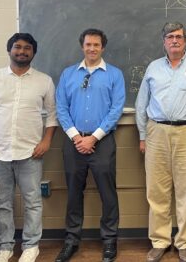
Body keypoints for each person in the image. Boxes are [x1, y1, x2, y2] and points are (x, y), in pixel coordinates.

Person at [0, 33, 57, 262]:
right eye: (17, 47)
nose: (22, 51)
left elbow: (52, 115)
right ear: (9, 50)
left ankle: (31, 245)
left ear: (33, 52)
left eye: (27, 48)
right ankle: (5, 246)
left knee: (33, 201)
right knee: (2, 201)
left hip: (31, 152)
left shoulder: (44, 81)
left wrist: (46, 141)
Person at [135, 22, 186, 262]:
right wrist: (142, 135)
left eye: (179, 37)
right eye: (170, 37)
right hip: (156, 132)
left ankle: (183, 242)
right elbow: (141, 103)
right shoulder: (153, 67)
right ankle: (160, 241)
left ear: (185, 41)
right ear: (164, 41)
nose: (175, 41)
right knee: (157, 190)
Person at [54, 28, 125, 262]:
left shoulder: (114, 74)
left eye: (96, 45)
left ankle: (109, 240)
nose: (92, 48)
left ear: (102, 47)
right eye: (88, 44)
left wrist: (93, 138)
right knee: (74, 193)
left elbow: (116, 110)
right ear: (82, 46)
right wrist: (77, 137)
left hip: (102, 141)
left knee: (108, 193)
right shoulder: (67, 75)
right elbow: (61, 108)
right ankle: (72, 241)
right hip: (73, 141)